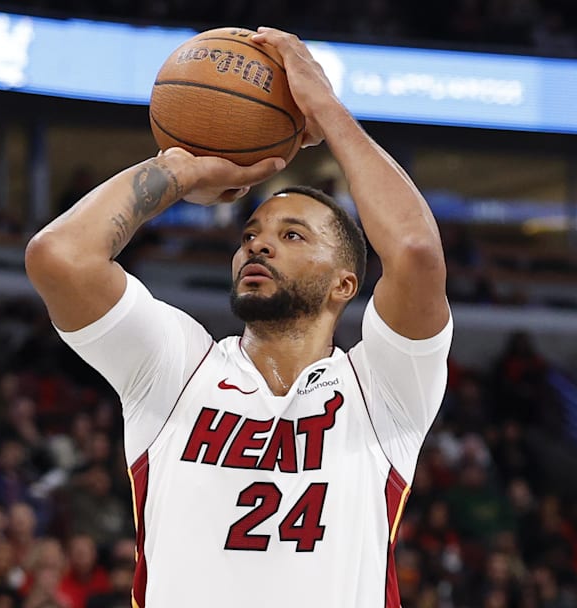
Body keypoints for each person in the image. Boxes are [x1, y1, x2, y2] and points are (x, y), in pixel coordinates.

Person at [25, 26, 452, 607]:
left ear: (344, 284)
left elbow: (416, 254)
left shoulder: (384, 391)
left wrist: (326, 110)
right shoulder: (177, 369)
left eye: (292, 234)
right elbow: (60, 258)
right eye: (249, 234)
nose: (259, 245)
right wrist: (177, 173)